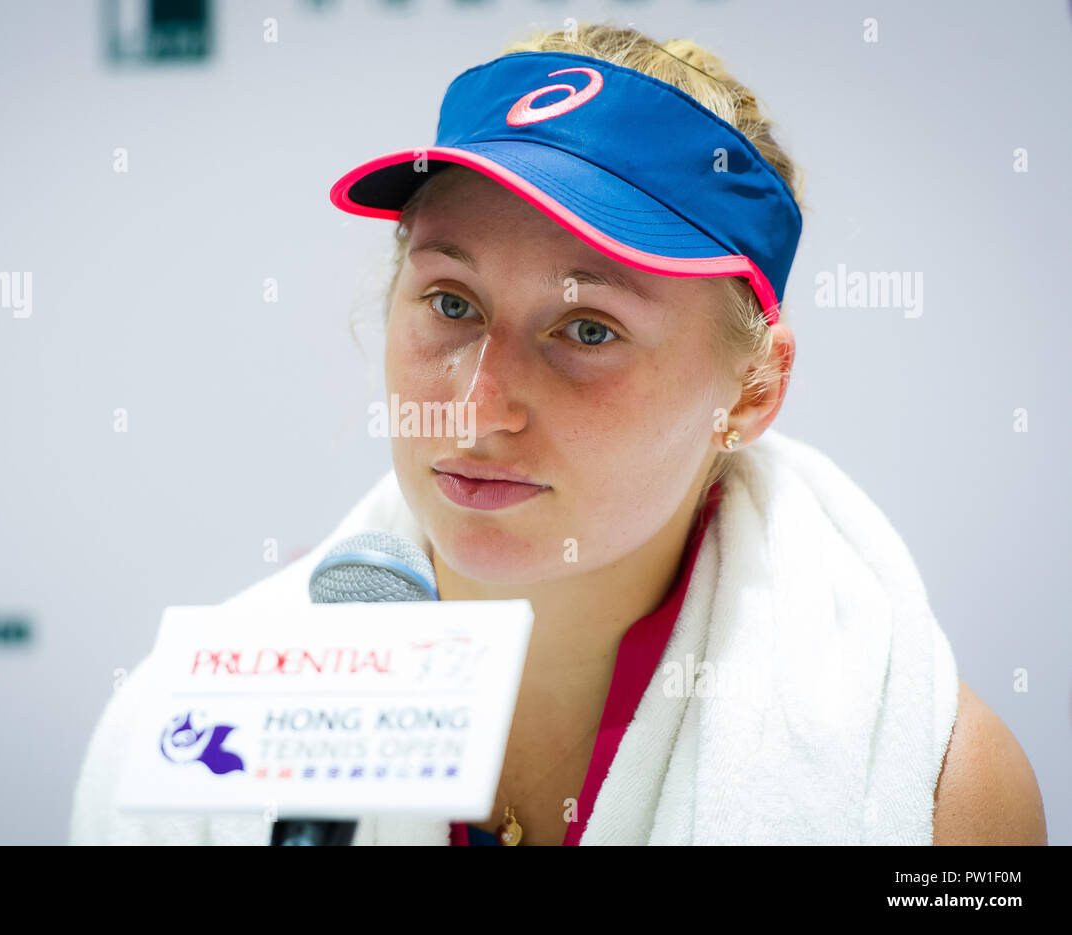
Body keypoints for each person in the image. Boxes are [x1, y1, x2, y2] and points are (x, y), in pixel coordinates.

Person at [70, 22, 1046, 846]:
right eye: (451, 302)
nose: (478, 406)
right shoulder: (194, 738)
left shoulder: (936, 793)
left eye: (587, 329)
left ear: (751, 390)